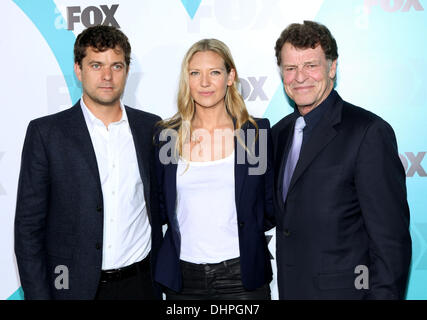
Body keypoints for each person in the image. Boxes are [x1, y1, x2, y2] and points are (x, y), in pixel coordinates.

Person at [14, 25, 162, 300]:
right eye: (96, 65)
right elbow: (28, 230)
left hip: (141, 285)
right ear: (78, 70)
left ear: (127, 71)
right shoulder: (47, 133)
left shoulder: (151, 128)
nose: (107, 76)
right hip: (73, 288)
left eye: (116, 66)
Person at [272, 21, 411, 299]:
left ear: (332, 68)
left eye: (311, 65)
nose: (300, 77)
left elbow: (390, 243)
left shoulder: (368, 132)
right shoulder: (279, 133)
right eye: (290, 68)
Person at [153, 39, 274, 300]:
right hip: (184, 279)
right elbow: (161, 206)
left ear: (230, 77)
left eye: (215, 72)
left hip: (242, 278)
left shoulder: (255, 135)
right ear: (187, 79)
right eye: (195, 73)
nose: (204, 82)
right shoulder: (167, 136)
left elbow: (268, 206)